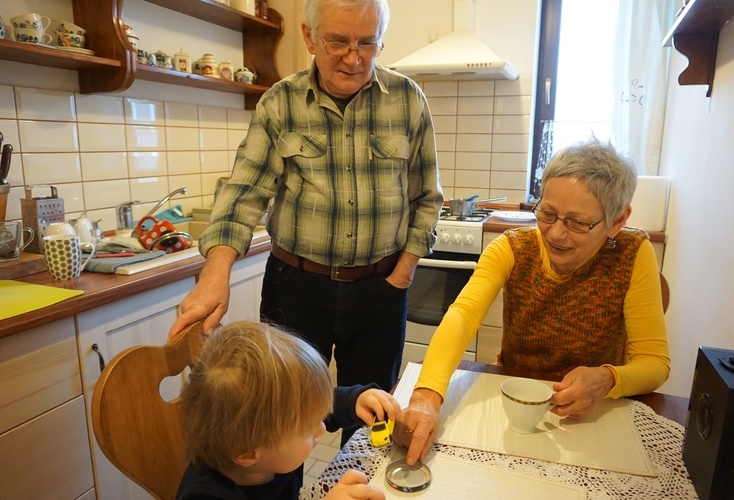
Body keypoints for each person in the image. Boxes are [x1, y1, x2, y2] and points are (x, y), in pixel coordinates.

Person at [168, 0, 442, 445]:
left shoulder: (409, 100)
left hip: (380, 289)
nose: (353, 58)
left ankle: (361, 489)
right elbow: (243, 194)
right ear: (310, 36)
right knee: (283, 411)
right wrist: (215, 274)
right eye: (337, 41)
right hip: (296, 287)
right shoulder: (280, 102)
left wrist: (404, 269)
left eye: (367, 42)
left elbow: (427, 198)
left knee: (373, 413)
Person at [395, 138, 670, 465]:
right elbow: (462, 316)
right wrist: (426, 396)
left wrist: (607, 378)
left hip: (590, 413)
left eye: (578, 222)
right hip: (515, 400)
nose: (555, 234)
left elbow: (655, 362)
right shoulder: (512, 247)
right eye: (548, 213)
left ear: (616, 221)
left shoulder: (633, 253)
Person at [177, 321, 399, 499]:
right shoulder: (204, 495)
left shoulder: (262, 443)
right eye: (306, 430)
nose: (321, 428)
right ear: (247, 453)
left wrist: (354, 400)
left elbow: (308, 408)